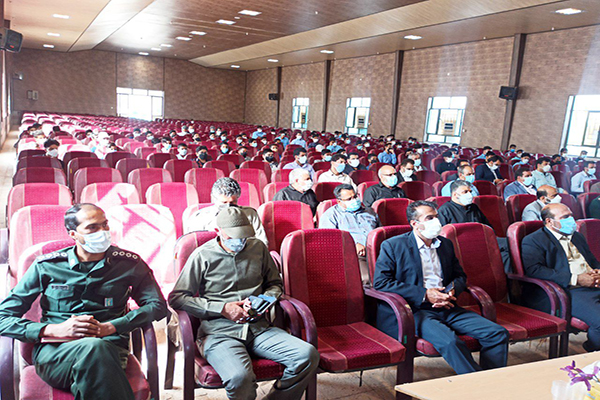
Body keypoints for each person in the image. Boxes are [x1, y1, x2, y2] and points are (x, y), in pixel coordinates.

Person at [0, 204, 168, 399]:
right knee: (95, 352)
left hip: (111, 349)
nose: (103, 232)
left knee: (97, 351)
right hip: (56, 354)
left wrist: (111, 327)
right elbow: (3, 318)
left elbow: (157, 306)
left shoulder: (128, 264)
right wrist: (53, 330)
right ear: (73, 234)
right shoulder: (47, 266)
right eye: (92, 227)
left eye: (105, 225)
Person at [169, 207, 319, 399]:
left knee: (307, 355)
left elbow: (275, 285)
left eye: (244, 236)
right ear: (218, 231)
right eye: (233, 237)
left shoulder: (258, 248)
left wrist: (264, 300)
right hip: (219, 332)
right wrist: (222, 309)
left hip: (259, 328)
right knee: (239, 378)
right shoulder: (202, 255)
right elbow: (177, 297)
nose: (240, 241)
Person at [373, 200, 509, 374]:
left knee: (497, 333)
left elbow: (460, 276)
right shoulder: (393, 245)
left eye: (436, 217)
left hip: (447, 304)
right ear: (415, 224)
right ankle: (478, 383)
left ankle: (493, 379)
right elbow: (382, 282)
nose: (436, 221)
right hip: (414, 310)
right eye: (429, 218)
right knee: (450, 342)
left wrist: (452, 290)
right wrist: (425, 294)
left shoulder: (444, 244)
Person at [522, 203, 600, 351]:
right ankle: (593, 351)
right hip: (566, 290)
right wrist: (576, 279)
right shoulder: (534, 240)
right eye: (565, 217)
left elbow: (592, 261)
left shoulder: (577, 237)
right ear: (549, 221)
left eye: (571, 215)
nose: (571, 220)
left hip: (593, 285)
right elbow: (534, 270)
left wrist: (598, 272)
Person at [319, 184, 380, 283]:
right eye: (349, 199)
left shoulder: (369, 211)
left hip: (378, 251)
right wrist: (352, 245)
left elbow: (380, 232)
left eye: (355, 196)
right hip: (353, 255)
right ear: (339, 201)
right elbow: (328, 242)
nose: (354, 200)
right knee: (368, 279)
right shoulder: (330, 216)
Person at [186, 178, 268, 246]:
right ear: (213, 198)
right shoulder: (200, 217)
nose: (228, 206)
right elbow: (194, 246)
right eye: (224, 202)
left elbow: (262, 242)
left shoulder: (250, 214)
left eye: (232, 202)